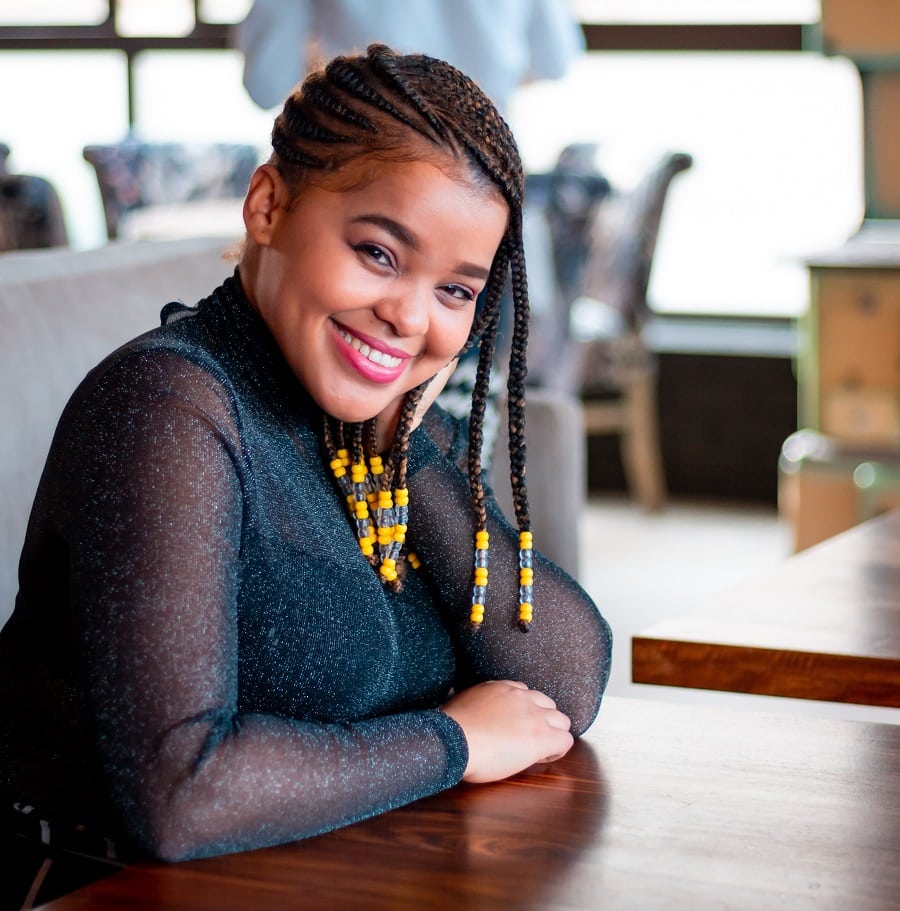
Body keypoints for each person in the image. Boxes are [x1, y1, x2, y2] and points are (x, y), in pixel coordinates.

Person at [0, 45, 612, 908]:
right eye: (379, 252)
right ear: (268, 204)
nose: (409, 316)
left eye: (456, 292)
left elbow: (564, 680)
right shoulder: (169, 408)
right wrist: (453, 740)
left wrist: (411, 431)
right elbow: (180, 794)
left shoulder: (365, 423)